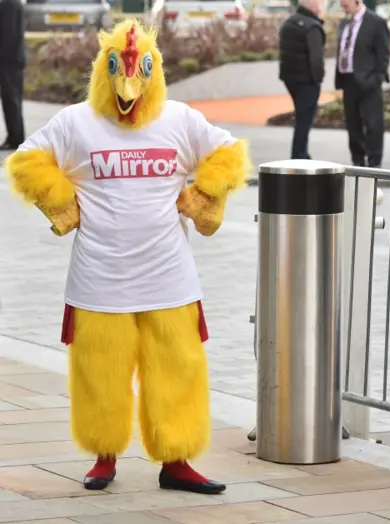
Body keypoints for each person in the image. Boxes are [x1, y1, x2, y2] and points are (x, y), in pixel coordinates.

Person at [4, 20, 251, 494]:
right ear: (105, 71)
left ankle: (176, 461)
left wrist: (203, 196)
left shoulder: (179, 119)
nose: (128, 87)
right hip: (100, 279)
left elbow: (228, 153)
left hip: (169, 277)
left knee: (177, 369)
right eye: (117, 70)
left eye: (140, 73)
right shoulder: (75, 121)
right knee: (101, 372)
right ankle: (104, 456)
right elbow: (26, 158)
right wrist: (59, 200)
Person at [334, 0, 390, 169]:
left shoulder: (376, 23)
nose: (343, 8)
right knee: (352, 122)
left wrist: (377, 78)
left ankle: (374, 161)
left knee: (373, 123)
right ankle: (357, 159)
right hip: (348, 79)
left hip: (369, 81)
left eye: (346, 5)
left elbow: (383, 53)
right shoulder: (344, 23)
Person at [278, 0, 326, 160]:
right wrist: (318, 80)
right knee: (304, 119)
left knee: (300, 115)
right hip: (307, 81)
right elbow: (316, 59)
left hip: (290, 78)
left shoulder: (288, 23)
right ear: (313, 6)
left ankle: (299, 152)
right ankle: (300, 154)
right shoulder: (312, 27)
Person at [0, 0, 26, 151]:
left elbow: (7, 35)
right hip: (15, 58)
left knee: (11, 100)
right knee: (13, 99)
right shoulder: (16, 4)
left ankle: (15, 138)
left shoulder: (8, 5)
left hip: (9, 59)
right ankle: (16, 136)